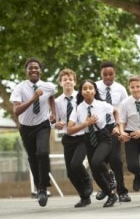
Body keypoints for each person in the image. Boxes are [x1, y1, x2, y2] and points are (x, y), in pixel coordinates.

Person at [9, 57, 56, 207]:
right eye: (31, 68)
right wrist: (33, 98)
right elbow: (16, 111)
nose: (34, 70)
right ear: (27, 71)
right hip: (26, 127)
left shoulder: (48, 86)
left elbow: (51, 98)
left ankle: (43, 186)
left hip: (42, 125)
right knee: (33, 158)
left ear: (40, 71)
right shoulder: (20, 88)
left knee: (42, 153)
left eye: (36, 67)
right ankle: (39, 188)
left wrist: (53, 113)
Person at [67, 79, 120, 207]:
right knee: (95, 173)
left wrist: (117, 125)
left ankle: (110, 174)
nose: (88, 90)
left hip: (103, 137)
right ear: (81, 92)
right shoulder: (78, 108)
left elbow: (116, 111)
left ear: (95, 91)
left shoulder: (102, 105)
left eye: (91, 88)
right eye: (85, 88)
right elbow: (69, 130)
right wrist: (85, 123)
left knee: (96, 162)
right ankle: (111, 195)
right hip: (88, 139)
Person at [54, 68, 93, 207]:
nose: (68, 82)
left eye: (70, 79)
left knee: (76, 164)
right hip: (68, 137)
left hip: (83, 136)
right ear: (61, 83)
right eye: (65, 80)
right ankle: (84, 197)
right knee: (70, 172)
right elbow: (54, 121)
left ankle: (88, 181)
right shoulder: (57, 102)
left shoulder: (81, 97)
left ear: (75, 82)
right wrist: (57, 125)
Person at [95, 61, 130, 202]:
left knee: (115, 159)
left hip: (114, 126)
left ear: (115, 74)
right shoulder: (95, 87)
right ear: (101, 74)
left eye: (111, 74)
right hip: (98, 127)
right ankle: (106, 187)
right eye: (105, 75)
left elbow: (125, 109)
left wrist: (120, 127)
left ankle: (122, 191)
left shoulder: (120, 89)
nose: (108, 77)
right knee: (99, 160)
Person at [119, 75, 140, 206]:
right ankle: (138, 175)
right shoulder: (125, 103)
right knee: (132, 165)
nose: (135, 89)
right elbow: (122, 121)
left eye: (138, 86)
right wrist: (122, 132)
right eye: (132, 87)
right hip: (131, 136)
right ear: (129, 88)